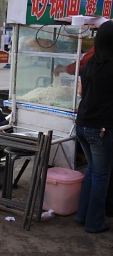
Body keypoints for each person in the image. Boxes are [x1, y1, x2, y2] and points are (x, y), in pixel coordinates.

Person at [74, 20, 113, 233]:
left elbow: (81, 93)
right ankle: (95, 222)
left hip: (82, 125)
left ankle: (82, 215)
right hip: (101, 128)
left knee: (92, 170)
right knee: (101, 175)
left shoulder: (89, 64)